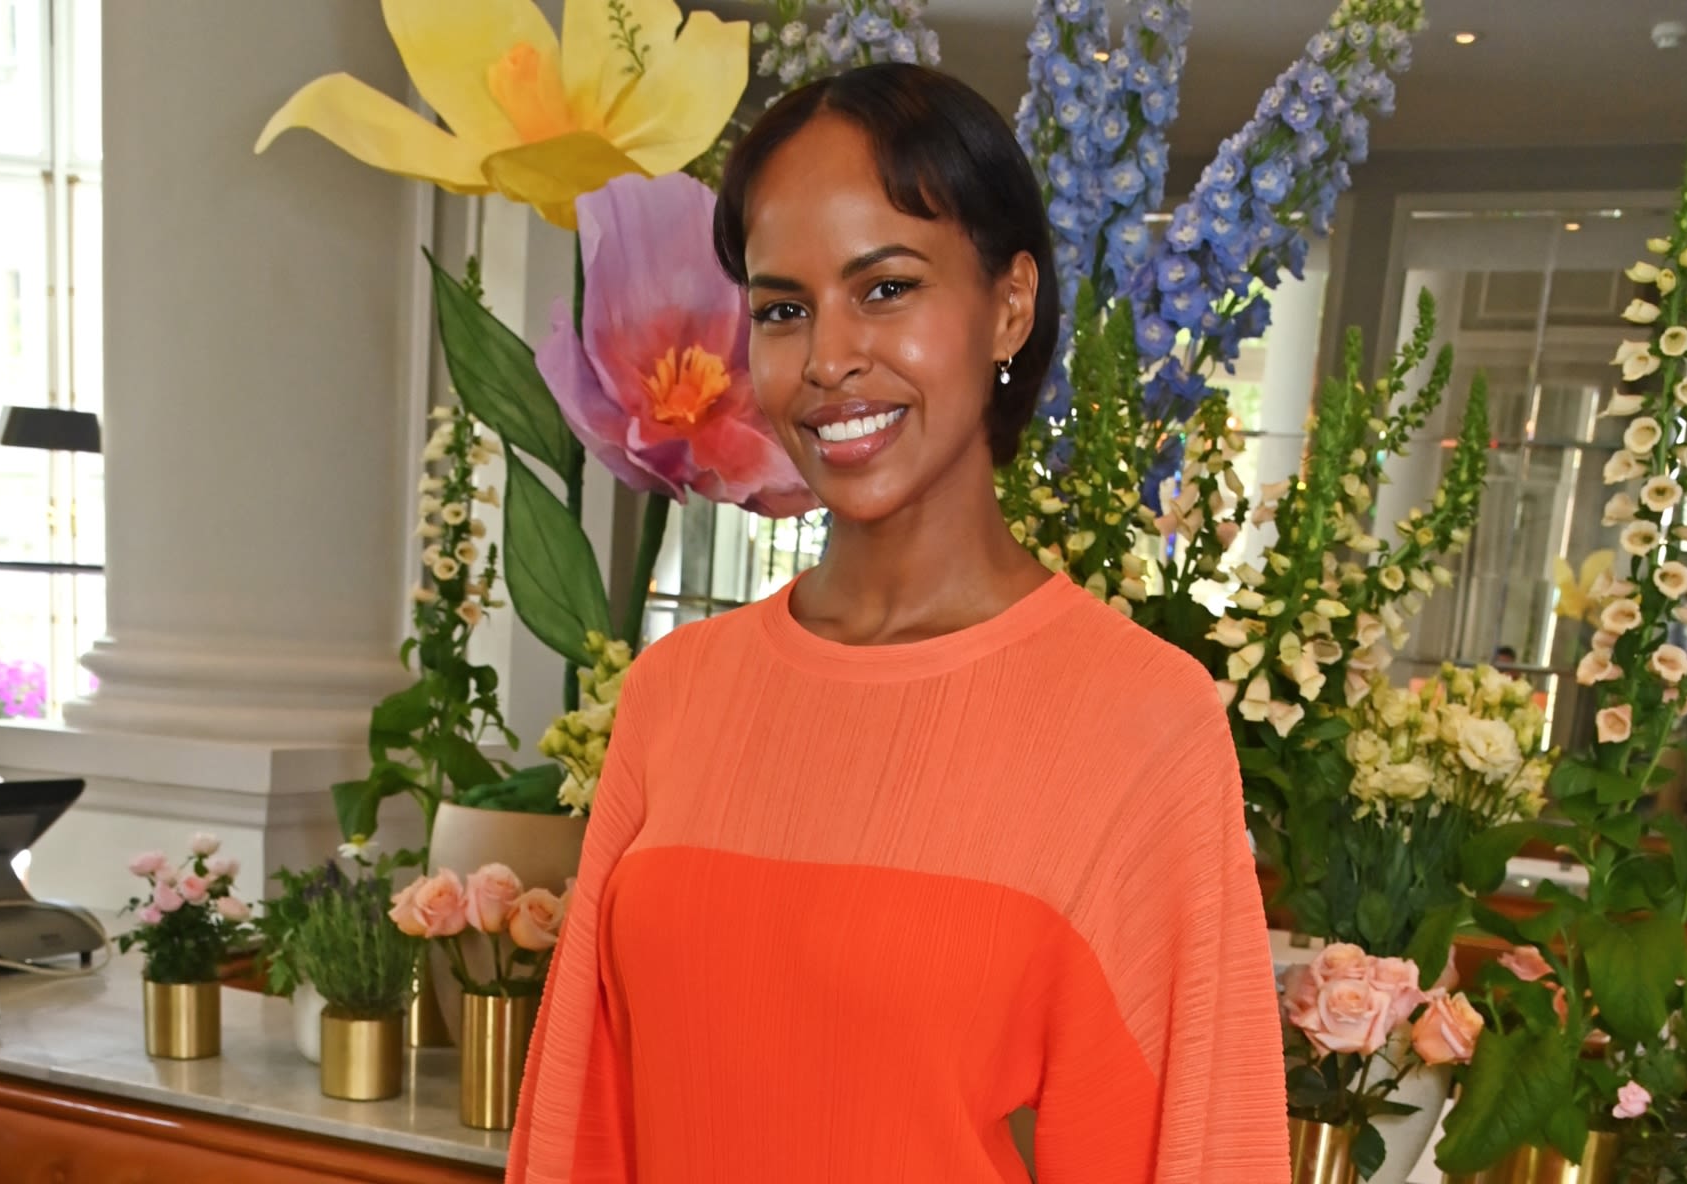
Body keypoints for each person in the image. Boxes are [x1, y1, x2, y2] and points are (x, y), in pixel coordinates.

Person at [507, 64, 1287, 1184]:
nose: (826, 360)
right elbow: (580, 1123)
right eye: (782, 308)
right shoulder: (675, 694)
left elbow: (1194, 1148)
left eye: (884, 289)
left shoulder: (1137, 721)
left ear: (1008, 304)